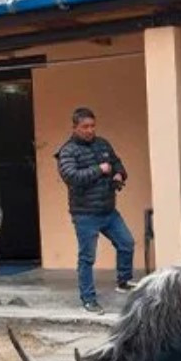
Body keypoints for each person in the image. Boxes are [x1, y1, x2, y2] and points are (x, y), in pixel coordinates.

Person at [55, 107, 136, 315]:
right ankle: (88, 299)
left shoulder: (103, 144)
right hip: (85, 214)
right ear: (75, 128)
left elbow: (117, 163)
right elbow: (72, 177)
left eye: (92, 126)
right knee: (87, 258)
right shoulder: (67, 151)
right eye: (85, 127)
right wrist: (99, 170)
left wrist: (119, 174)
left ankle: (124, 281)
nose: (90, 130)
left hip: (108, 210)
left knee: (126, 243)